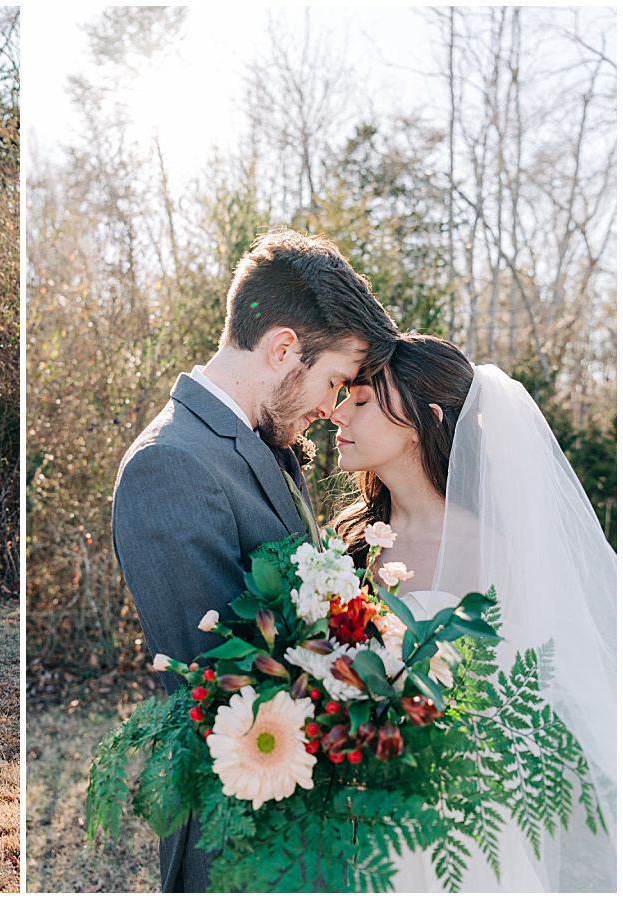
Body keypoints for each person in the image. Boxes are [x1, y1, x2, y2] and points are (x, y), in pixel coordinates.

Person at [111, 229, 399, 892]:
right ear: (281, 348)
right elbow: (220, 689)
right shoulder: (170, 465)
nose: (332, 409)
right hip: (242, 850)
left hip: (306, 831)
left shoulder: (265, 444)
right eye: (333, 381)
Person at [330, 333, 616, 891]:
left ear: (428, 418)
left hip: (454, 830)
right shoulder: (346, 545)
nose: (338, 412)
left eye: (362, 401)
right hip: (348, 820)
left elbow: (517, 716)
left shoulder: (496, 553)